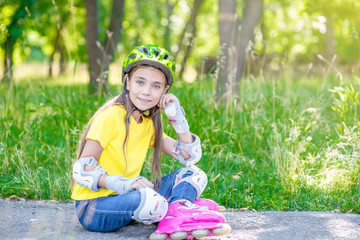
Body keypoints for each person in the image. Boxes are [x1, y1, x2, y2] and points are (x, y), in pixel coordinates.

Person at [71, 44, 230, 239]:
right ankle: (177, 206)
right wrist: (126, 184)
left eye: (156, 86)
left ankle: (179, 211)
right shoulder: (112, 116)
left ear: (165, 90)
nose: (146, 92)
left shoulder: (146, 123)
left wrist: (177, 118)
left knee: (194, 174)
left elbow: (188, 157)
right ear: (127, 81)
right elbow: (81, 169)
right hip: (93, 209)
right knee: (151, 201)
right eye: (140, 82)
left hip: (125, 197)